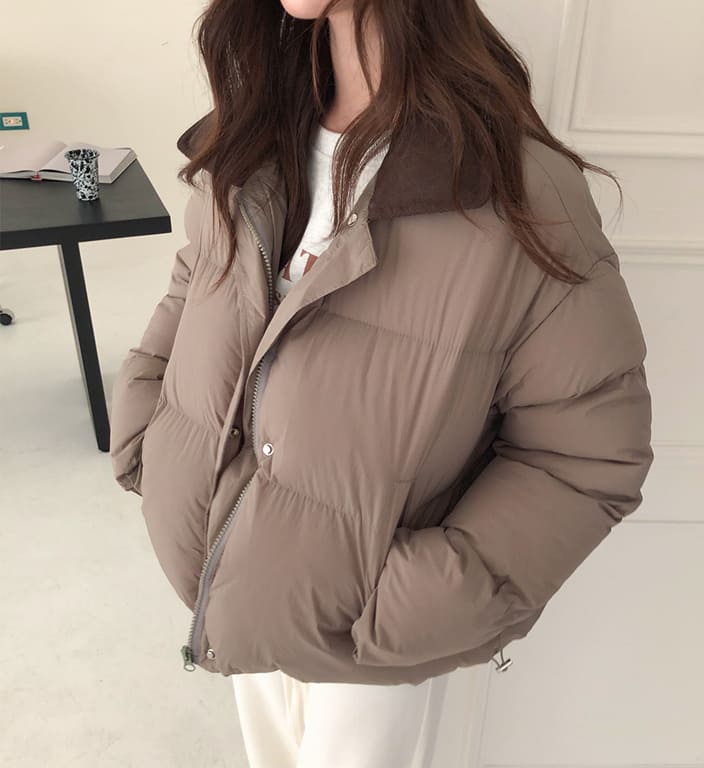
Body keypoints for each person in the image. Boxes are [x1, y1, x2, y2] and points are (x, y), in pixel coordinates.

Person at [109, 0, 654, 766]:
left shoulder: (520, 191)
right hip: (230, 578)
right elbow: (195, 283)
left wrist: (407, 603)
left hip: (366, 645)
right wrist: (148, 437)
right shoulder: (256, 126)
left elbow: (586, 454)